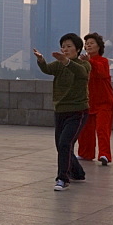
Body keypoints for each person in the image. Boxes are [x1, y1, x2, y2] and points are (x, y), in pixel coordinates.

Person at [34, 33, 91, 191]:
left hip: (78, 111)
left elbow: (81, 73)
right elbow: (46, 69)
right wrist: (41, 60)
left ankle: (63, 179)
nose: (65, 49)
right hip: (60, 110)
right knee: (62, 145)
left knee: (65, 143)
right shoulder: (59, 64)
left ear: (78, 49)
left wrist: (66, 61)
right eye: (63, 46)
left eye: (69, 46)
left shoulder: (84, 65)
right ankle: (78, 173)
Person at [77, 32, 113, 166]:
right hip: (88, 102)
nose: (88, 46)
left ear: (99, 46)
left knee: (102, 130)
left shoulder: (103, 61)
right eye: (86, 44)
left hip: (104, 102)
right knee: (85, 130)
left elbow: (101, 72)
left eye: (91, 43)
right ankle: (85, 153)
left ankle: (104, 154)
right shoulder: (82, 62)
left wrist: (89, 62)